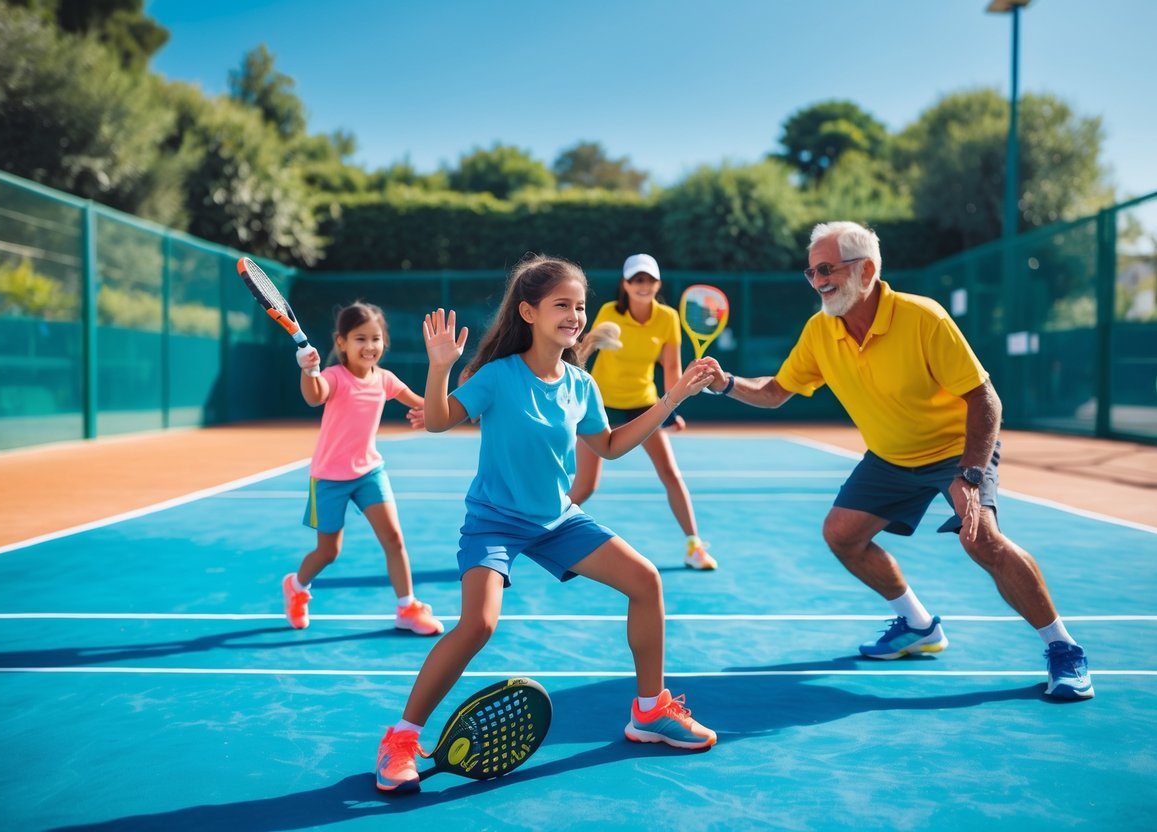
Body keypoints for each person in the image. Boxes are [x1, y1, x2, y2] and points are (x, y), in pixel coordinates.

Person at [700, 221, 1093, 701]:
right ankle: (918, 625)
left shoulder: (923, 318)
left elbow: (985, 400)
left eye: (827, 269)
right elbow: (778, 391)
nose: (818, 280)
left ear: (865, 270)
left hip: (954, 449)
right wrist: (724, 382)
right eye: (811, 271)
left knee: (982, 541)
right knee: (841, 534)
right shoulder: (820, 331)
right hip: (891, 456)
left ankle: (1064, 649)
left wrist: (970, 475)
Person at [374, 255, 720, 793]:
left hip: (557, 519)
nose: (575, 315)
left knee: (645, 580)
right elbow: (439, 421)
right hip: (495, 520)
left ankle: (649, 711)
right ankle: (401, 738)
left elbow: (607, 446)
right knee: (478, 625)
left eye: (579, 306)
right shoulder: (498, 376)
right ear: (528, 311)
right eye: (562, 305)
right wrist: (440, 365)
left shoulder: (581, 384)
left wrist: (672, 397)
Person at [283, 302, 444, 637]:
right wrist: (308, 371)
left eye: (376, 338)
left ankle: (407, 607)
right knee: (329, 551)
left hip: (369, 472)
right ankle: (297, 586)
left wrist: (455, 408)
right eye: (360, 339)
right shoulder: (334, 378)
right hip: (329, 477)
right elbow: (315, 396)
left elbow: (425, 404)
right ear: (341, 342)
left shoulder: (385, 380)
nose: (370, 346)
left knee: (394, 539)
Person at [568, 253, 717, 570]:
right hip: (601, 405)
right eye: (637, 280)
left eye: (648, 280)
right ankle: (534, 529)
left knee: (671, 474)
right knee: (586, 486)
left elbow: (672, 369)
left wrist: (673, 405)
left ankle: (694, 546)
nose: (643, 285)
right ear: (625, 284)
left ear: (657, 284)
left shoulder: (668, 318)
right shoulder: (609, 312)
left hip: (644, 405)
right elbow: (582, 355)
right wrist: (588, 344)